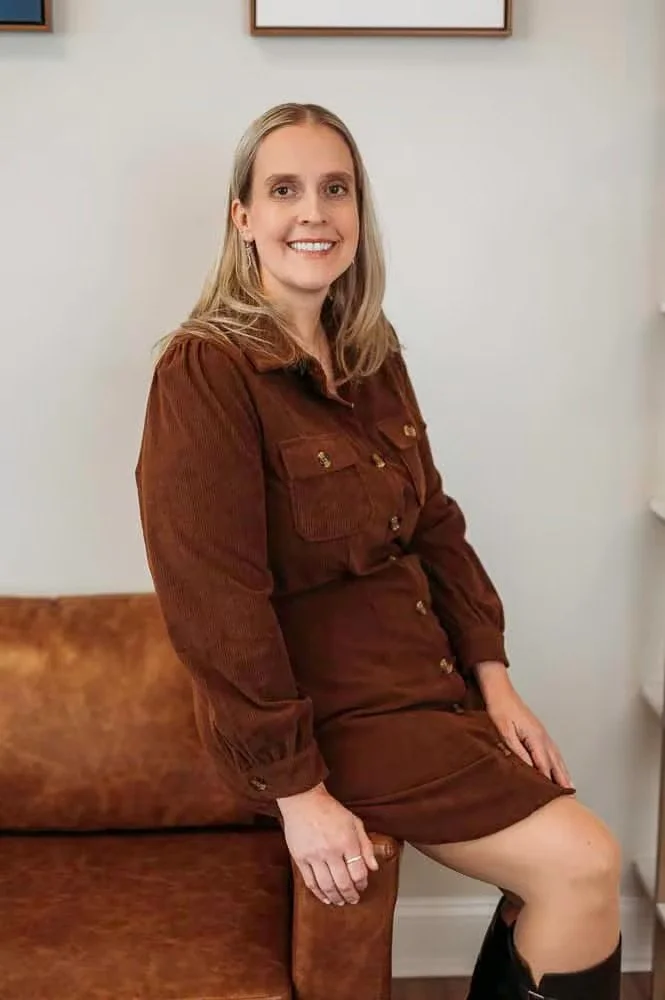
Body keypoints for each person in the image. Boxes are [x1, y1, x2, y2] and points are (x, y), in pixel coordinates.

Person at [135, 102, 622, 999]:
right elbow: (215, 602)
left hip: (419, 691)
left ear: (359, 214)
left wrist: (492, 675)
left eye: (335, 190)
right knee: (585, 866)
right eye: (283, 190)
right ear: (241, 216)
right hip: (328, 719)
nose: (312, 213)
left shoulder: (369, 354)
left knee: (567, 867)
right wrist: (297, 793)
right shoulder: (204, 372)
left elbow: (432, 521)